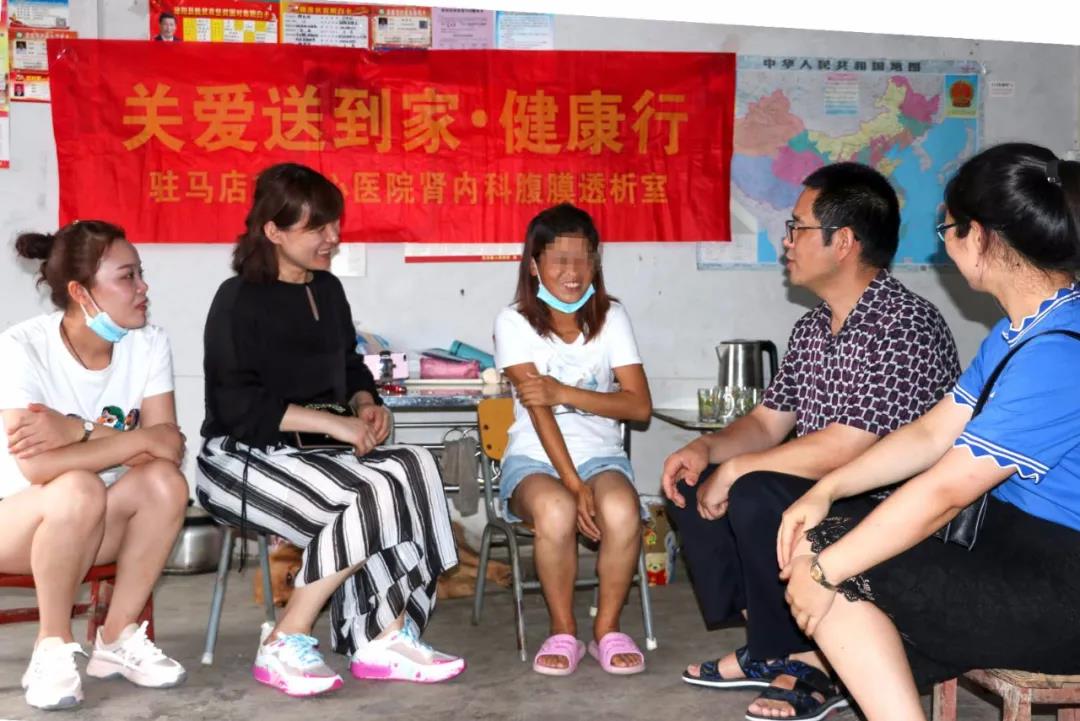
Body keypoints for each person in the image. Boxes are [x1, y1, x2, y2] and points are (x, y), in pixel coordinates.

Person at [779, 143, 1080, 721]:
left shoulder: (1059, 351)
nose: (945, 245)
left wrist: (824, 571)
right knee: (828, 539)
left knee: (833, 561)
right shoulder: (1023, 330)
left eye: (948, 230)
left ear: (981, 236)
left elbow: (946, 491)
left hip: (1062, 588)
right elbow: (930, 434)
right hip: (1015, 551)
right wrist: (826, 489)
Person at [662, 163, 961, 718]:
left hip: (888, 502)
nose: (787, 242)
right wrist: (707, 450)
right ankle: (770, 646)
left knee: (753, 490)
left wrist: (740, 469)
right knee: (691, 485)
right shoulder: (813, 327)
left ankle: (813, 663)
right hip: (827, 487)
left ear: (842, 242)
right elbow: (767, 422)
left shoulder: (905, 325)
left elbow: (854, 446)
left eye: (797, 228)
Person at [196, 162, 464, 698]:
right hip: (241, 459)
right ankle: (286, 638)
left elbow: (348, 366)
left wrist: (365, 403)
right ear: (273, 231)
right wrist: (332, 423)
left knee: (413, 466)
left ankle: (383, 635)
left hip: (317, 454)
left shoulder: (328, 289)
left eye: (334, 224)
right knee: (373, 492)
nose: (333, 237)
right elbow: (237, 403)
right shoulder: (237, 299)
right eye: (316, 227)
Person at [0, 220, 188, 711]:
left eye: (140, 274)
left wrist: (76, 430)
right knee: (77, 486)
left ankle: (116, 637)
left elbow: (167, 447)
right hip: (16, 524)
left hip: (97, 523)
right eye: (127, 277)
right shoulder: (22, 347)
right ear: (80, 292)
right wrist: (134, 441)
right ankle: (52, 645)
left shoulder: (149, 343)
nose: (143, 288)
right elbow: (38, 471)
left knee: (165, 482)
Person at [493, 203, 653, 676]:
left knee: (622, 509)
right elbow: (539, 411)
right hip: (534, 461)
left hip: (602, 457)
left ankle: (607, 630)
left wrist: (564, 391)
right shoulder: (514, 321)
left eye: (583, 258)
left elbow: (639, 406)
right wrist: (573, 484)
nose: (573, 272)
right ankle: (563, 631)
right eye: (559, 259)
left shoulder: (612, 317)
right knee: (556, 509)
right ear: (534, 265)